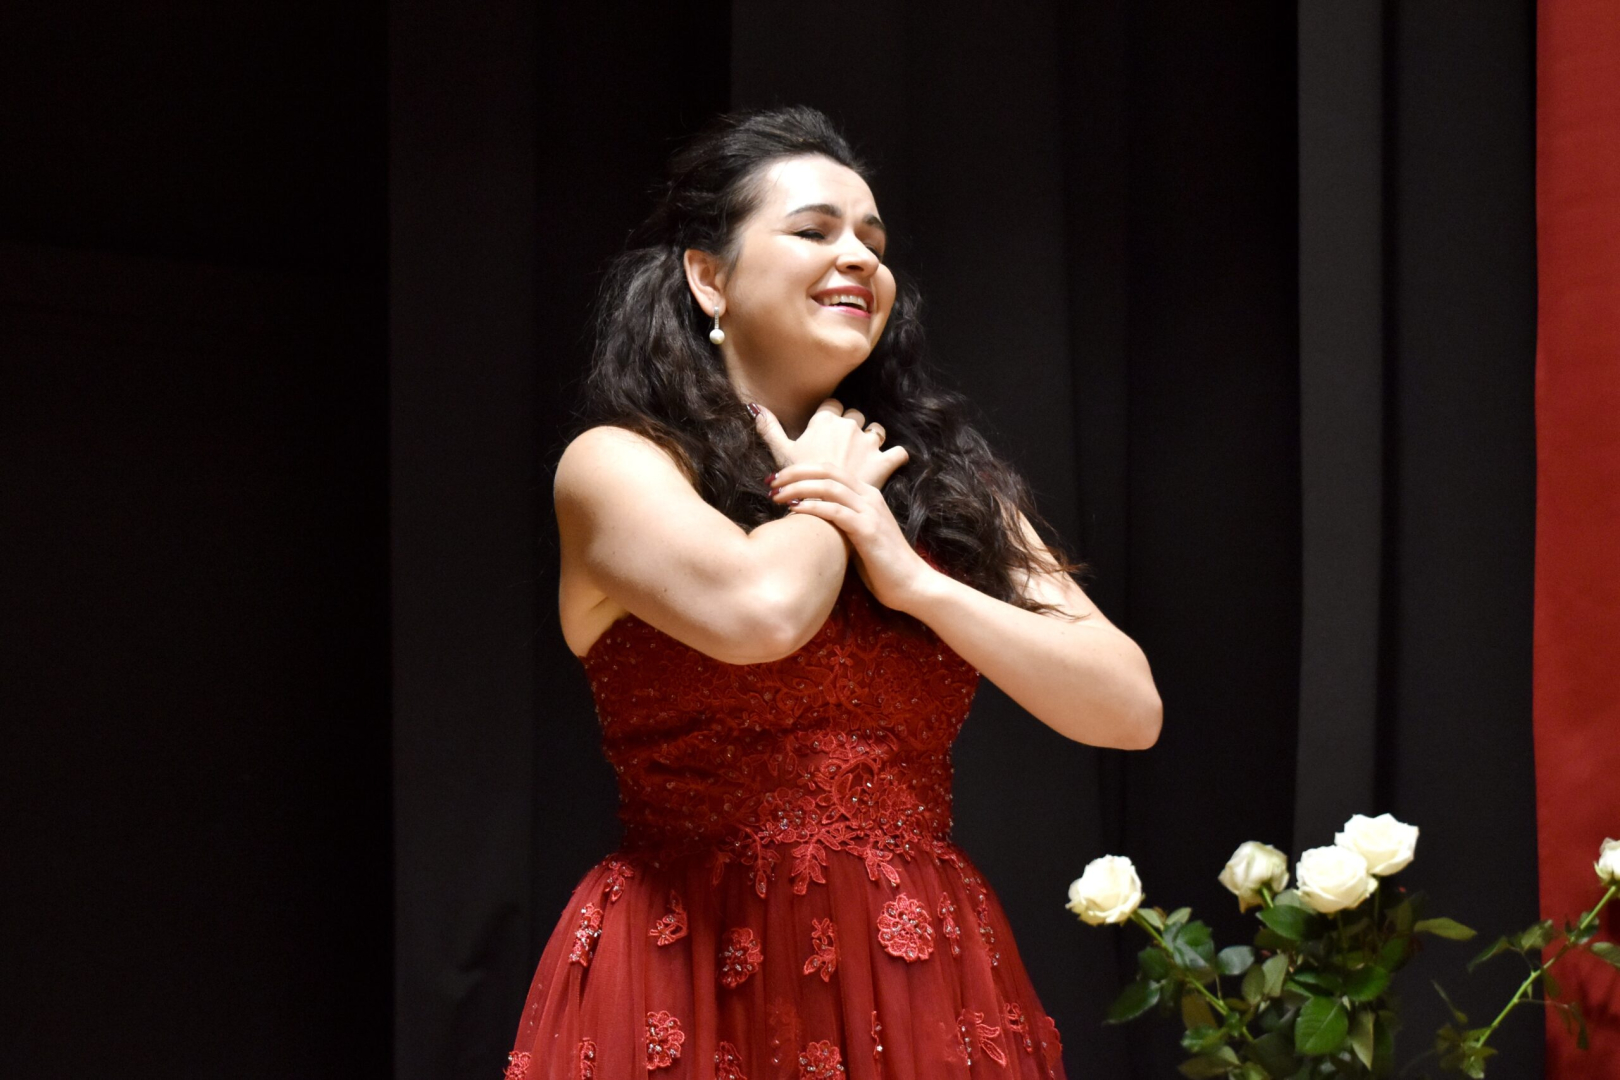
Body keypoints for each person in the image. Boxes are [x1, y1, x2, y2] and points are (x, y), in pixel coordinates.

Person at [504, 105, 1162, 1080]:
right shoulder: (618, 464)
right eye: (814, 231)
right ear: (709, 277)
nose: (858, 257)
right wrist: (830, 487)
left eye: (874, 242)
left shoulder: (945, 484)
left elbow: (1128, 708)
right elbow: (763, 614)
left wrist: (918, 584)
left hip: (915, 970)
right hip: (689, 964)